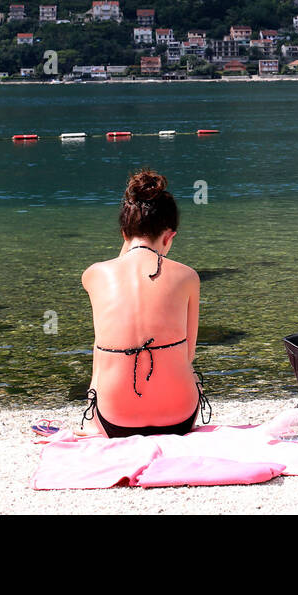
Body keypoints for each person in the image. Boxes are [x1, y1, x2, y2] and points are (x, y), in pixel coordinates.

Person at [79, 169, 207, 437]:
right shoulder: (188, 277)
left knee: (103, 353)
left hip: (115, 421)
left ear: (124, 233)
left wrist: (128, 243)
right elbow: (188, 356)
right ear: (170, 236)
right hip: (179, 419)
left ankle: (92, 424)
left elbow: (101, 355)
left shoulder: (94, 275)